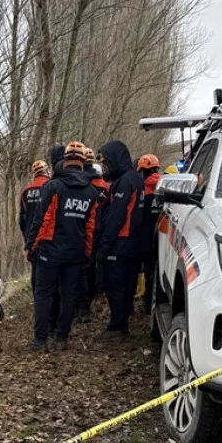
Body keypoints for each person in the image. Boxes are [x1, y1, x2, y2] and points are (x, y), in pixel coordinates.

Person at [24, 141, 99, 352]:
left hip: (50, 251)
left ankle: (40, 340)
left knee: (43, 293)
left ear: (65, 161)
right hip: (75, 252)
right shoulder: (91, 193)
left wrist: (30, 246)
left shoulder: (53, 186)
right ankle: (61, 338)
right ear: (83, 163)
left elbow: (41, 220)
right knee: (69, 295)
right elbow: (90, 228)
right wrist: (87, 253)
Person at [97, 140, 145, 337]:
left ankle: (117, 326)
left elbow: (117, 217)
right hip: (133, 244)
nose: (104, 167)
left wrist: (104, 247)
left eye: (106, 162)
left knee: (116, 287)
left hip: (120, 244)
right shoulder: (136, 179)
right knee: (127, 286)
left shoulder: (124, 182)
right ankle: (121, 323)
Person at [74, 149, 109, 323]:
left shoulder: (82, 183)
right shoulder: (104, 184)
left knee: (84, 266)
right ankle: (98, 290)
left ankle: (84, 300)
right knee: (97, 262)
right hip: (100, 227)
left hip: (85, 227)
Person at [136, 154, 161, 315]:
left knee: (148, 271)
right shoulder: (167, 187)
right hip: (165, 237)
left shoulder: (143, 190)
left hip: (145, 239)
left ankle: (148, 302)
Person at [18, 160, 50, 242]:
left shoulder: (26, 191)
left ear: (34, 174)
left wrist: (27, 237)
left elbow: (22, 219)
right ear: (47, 171)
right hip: (48, 239)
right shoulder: (52, 188)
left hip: (31, 239)